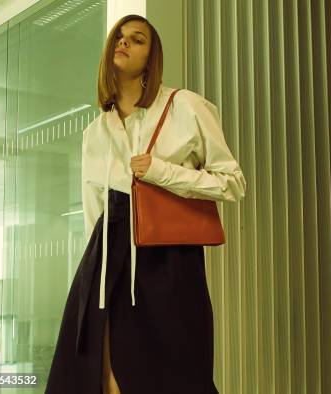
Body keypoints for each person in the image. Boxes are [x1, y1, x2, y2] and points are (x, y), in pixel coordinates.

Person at [45, 14, 246, 394]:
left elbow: (233, 183)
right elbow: (94, 213)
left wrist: (161, 172)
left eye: (137, 39)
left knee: (175, 370)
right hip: (105, 256)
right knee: (101, 375)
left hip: (166, 254)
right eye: (119, 37)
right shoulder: (94, 132)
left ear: (151, 57)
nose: (123, 43)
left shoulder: (184, 106)